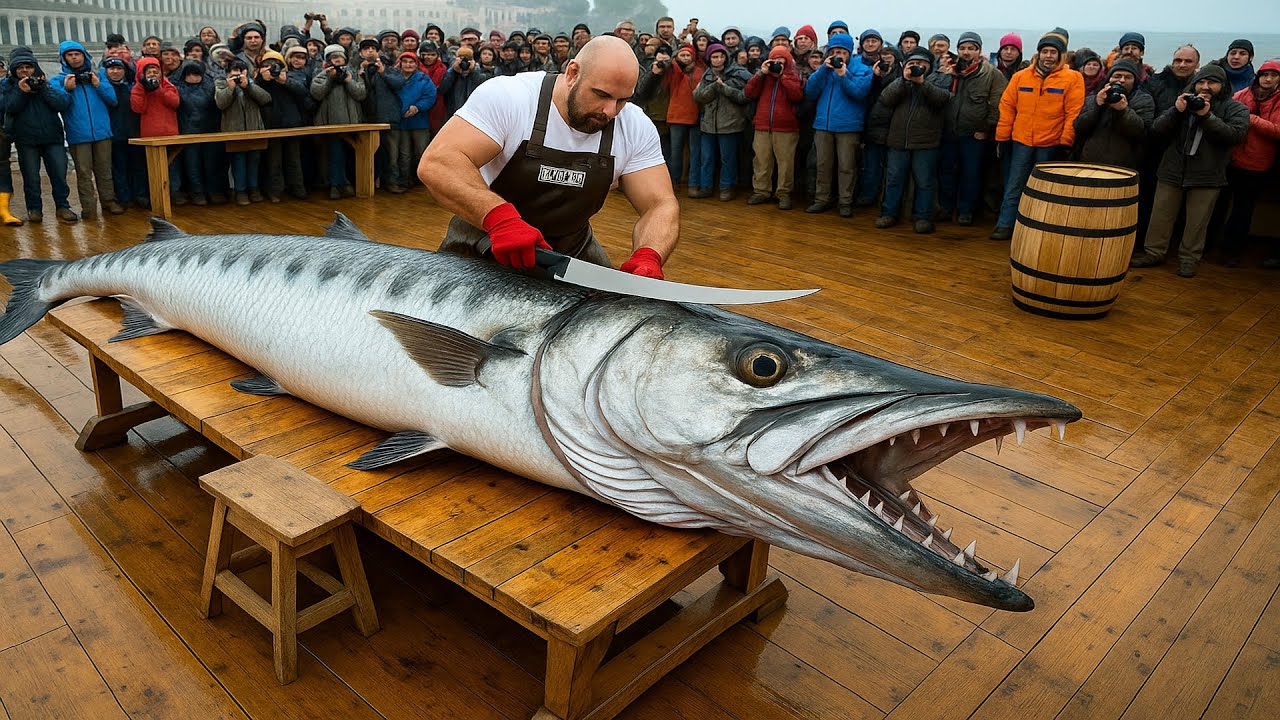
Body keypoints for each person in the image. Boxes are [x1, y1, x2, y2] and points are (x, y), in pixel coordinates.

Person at [418, 36, 675, 278]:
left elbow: (659, 204)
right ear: (572, 73)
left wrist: (648, 254)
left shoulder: (634, 125)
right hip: (486, 238)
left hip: (570, 249)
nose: (610, 111)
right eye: (601, 95)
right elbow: (439, 161)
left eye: (622, 100)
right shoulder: (511, 97)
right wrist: (499, 219)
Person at [1130, 64, 1249, 277]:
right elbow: (1157, 130)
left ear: (1222, 86)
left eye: (1211, 82)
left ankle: (1189, 259)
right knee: (1161, 216)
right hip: (1172, 168)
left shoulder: (1235, 108)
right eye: (1200, 82)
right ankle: (1153, 252)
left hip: (1208, 174)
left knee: (1197, 221)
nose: (1205, 87)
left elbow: (1234, 136)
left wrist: (1207, 115)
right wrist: (1176, 111)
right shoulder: (1183, 104)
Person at [991, 29, 1083, 240]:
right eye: (1045, 51)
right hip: (1021, 141)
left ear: (1061, 55)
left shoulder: (1072, 78)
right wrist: (1002, 138)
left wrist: (1065, 142)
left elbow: (1073, 112)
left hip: (1050, 143)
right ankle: (1005, 224)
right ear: (1038, 53)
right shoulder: (1021, 77)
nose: (1048, 56)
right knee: (1014, 183)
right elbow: (1007, 107)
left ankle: (1038, 228)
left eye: (1053, 52)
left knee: (1045, 189)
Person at [875, 47, 951, 233]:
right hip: (898, 140)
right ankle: (888, 214)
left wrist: (922, 83)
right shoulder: (899, 81)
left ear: (929, 66)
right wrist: (904, 80)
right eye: (913, 64)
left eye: (922, 64)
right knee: (893, 179)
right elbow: (885, 99)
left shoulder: (939, 80)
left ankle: (923, 217)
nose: (917, 67)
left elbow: (942, 99)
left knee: (925, 181)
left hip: (926, 142)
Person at [937, 32, 1006, 226]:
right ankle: (945, 208)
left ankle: (965, 211)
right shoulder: (950, 70)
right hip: (949, 131)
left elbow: (997, 105)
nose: (966, 52)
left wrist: (986, 129)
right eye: (962, 48)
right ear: (958, 50)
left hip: (974, 134)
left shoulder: (992, 74)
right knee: (946, 172)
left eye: (971, 48)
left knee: (971, 174)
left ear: (979, 51)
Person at [3, 47, 76, 223]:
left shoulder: (45, 83)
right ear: (14, 70)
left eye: (28, 67)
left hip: (52, 138)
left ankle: (63, 206)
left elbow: (62, 103)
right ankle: (34, 209)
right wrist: (22, 92)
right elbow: (9, 108)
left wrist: (43, 88)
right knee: (31, 177)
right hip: (26, 140)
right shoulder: (7, 86)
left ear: (34, 67)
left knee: (59, 174)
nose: (24, 70)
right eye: (20, 68)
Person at [803, 32, 872, 217]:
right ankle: (821, 200)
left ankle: (845, 202)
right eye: (834, 51)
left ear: (849, 52)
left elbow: (859, 93)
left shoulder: (862, 69)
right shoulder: (824, 70)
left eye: (842, 51)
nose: (838, 55)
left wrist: (843, 75)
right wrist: (823, 70)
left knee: (847, 167)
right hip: (823, 125)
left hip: (848, 126)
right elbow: (810, 91)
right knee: (822, 165)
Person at [1220, 60, 1280, 267]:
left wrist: (1250, 119)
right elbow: (1226, 115)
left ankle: (1232, 251)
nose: (1268, 79)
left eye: (1274, 75)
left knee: (1243, 210)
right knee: (1219, 205)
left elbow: (1277, 130)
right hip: (1231, 158)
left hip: (1257, 163)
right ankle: (1213, 246)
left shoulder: (1279, 99)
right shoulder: (1244, 94)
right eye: (1265, 74)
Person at [54, 40, 121, 218]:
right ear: (64, 58)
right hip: (78, 134)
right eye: (70, 55)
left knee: (105, 169)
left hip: (102, 132)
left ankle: (109, 202)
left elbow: (113, 100)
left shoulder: (99, 76)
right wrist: (66, 89)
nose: (74, 58)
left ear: (85, 55)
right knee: (83, 173)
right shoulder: (58, 80)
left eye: (78, 54)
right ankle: (89, 208)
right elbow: (58, 105)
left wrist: (99, 84)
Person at [745, 45, 803, 209]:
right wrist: (761, 73)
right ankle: (761, 191)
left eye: (781, 61)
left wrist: (782, 76)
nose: (777, 64)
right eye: (774, 60)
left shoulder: (793, 75)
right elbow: (749, 92)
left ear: (787, 61)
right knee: (761, 160)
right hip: (762, 125)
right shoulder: (763, 76)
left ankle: (783, 193)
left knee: (785, 163)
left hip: (786, 127)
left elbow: (797, 95)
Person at [693, 43, 751, 202]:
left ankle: (727, 188)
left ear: (726, 57)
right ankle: (706, 187)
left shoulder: (739, 74)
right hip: (708, 124)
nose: (718, 60)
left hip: (731, 124)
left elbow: (745, 97)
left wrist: (725, 88)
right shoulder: (707, 75)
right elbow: (698, 96)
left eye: (721, 56)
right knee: (707, 158)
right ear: (709, 58)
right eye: (714, 57)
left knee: (728, 159)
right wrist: (714, 86)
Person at [1072, 59, 1154, 170]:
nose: (1121, 80)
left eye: (1128, 77)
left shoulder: (1143, 100)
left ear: (1135, 81)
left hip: (1124, 166)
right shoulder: (1094, 98)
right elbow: (1079, 127)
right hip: (1090, 162)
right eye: (1117, 76)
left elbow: (1140, 132)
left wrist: (1123, 111)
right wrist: (1097, 106)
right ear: (1109, 79)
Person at [312, 44, 367, 199]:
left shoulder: (353, 74)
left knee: (350, 155)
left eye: (340, 58)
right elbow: (316, 93)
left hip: (352, 123)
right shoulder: (322, 75)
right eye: (334, 58)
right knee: (334, 155)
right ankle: (336, 185)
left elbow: (361, 94)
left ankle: (348, 183)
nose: (337, 61)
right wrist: (330, 79)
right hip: (331, 124)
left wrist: (349, 81)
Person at [215, 58, 272, 205]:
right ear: (228, 73)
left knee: (254, 160)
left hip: (255, 129)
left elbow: (266, 99)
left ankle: (254, 189)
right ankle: (240, 191)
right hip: (234, 131)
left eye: (240, 71)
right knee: (238, 161)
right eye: (234, 71)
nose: (238, 75)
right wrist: (231, 88)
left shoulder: (252, 83)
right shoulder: (221, 83)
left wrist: (248, 87)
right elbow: (221, 104)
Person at [259, 49, 309, 201]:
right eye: (267, 64)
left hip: (292, 123)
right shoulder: (261, 79)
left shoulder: (290, 76)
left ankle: (298, 188)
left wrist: (284, 81)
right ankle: (275, 191)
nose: (272, 67)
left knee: (294, 159)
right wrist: (262, 80)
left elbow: (303, 91)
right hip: (272, 125)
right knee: (274, 161)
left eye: (275, 64)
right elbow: (256, 94)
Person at [105, 56, 148, 210]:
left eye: (119, 68)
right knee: (119, 168)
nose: (115, 72)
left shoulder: (131, 87)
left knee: (138, 167)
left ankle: (140, 195)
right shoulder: (105, 89)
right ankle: (124, 198)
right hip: (115, 136)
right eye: (112, 69)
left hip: (134, 134)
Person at [393, 51, 435, 193]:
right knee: (404, 154)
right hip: (401, 122)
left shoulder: (423, 79)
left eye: (411, 62)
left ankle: (425, 182)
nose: (408, 65)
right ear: (400, 63)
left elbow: (430, 96)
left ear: (416, 64)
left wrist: (418, 107)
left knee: (422, 152)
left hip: (419, 121)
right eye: (405, 62)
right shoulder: (394, 78)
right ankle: (405, 180)